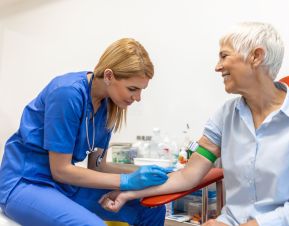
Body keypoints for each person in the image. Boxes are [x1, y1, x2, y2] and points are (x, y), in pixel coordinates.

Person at [100, 22, 289, 226]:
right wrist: (129, 192)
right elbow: (187, 175)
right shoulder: (226, 116)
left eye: (224, 56)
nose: (217, 66)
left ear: (256, 57)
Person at [0, 38, 171, 226]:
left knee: (150, 207)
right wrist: (127, 180)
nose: (138, 98)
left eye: (141, 90)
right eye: (132, 89)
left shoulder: (108, 105)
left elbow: (98, 166)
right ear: (108, 76)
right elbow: (61, 170)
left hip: (64, 185)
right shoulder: (67, 93)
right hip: (26, 182)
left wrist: (144, 174)